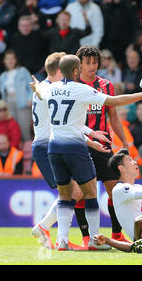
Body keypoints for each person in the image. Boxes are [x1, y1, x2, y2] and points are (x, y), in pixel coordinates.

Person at [30, 54, 142, 250]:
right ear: (76, 71)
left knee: (66, 195)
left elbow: (42, 91)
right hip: (75, 147)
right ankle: (94, 240)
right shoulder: (82, 89)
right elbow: (114, 101)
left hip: (54, 148)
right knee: (90, 192)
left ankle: (63, 240)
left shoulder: (51, 88)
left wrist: (37, 87)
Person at [30, 52, 113, 250]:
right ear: (61, 71)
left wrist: (91, 136)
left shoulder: (45, 89)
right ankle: (45, 227)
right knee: (74, 191)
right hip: (46, 145)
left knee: (72, 192)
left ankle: (62, 239)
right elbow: (63, 125)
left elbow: (67, 123)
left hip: (48, 144)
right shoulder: (52, 90)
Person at [75, 45, 130, 244]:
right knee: (81, 194)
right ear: (79, 64)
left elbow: (113, 116)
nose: (92, 66)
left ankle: (116, 234)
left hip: (104, 145)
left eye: (94, 62)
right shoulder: (73, 85)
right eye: (87, 62)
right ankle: (86, 237)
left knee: (115, 190)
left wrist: (123, 141)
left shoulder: (106, 85)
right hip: (81, 146)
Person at [0, 49, 33, 141]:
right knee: (13, 128)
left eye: (12, 58)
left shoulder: (23, 70)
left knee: (24, 127)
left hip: (22, 101)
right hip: (8, 102)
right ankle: (18, 152)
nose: (10, 61)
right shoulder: (2, 76)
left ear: (16, 60)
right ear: (4, 61)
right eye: (7, 59)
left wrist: (30, 99)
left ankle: (28, 151)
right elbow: (3, 93)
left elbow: (31, 86)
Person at [101, 0, 138, 64]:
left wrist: (132, 44)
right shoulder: (105, 7)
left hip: (125, 44)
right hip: (109, 44)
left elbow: (134, 26)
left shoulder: (130, 6)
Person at [9, 15, 48, 80]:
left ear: (32, 26)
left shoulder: (40, 36)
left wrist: (44, 67)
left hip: (37, 73)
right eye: (23, 26)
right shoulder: (14, 38)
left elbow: (47, 52)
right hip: (20, 73)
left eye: (27, 25)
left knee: (40, 90)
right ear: (19, 27)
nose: (25, 28)